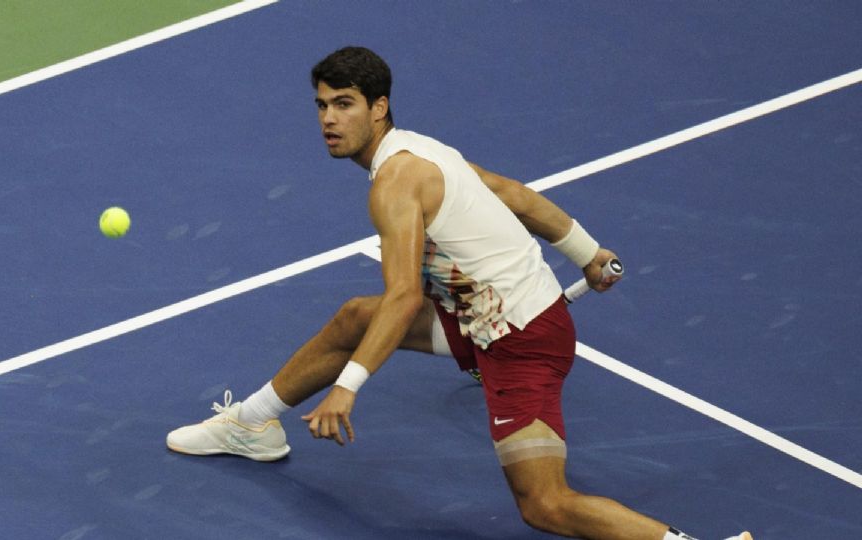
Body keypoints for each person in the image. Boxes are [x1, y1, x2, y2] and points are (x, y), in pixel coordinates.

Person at [167, 46, 752, 540]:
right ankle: (253, 424)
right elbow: (514, 195)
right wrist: (588, 253)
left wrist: (347, 389)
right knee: (353, 319)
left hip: (520, 342)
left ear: (379, 107)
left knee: (544, 505)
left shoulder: (395, 184)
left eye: (344, 104)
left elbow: (402, 298)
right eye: (321, 105)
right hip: (486, 318)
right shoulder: (423, 148)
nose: (328, 119)